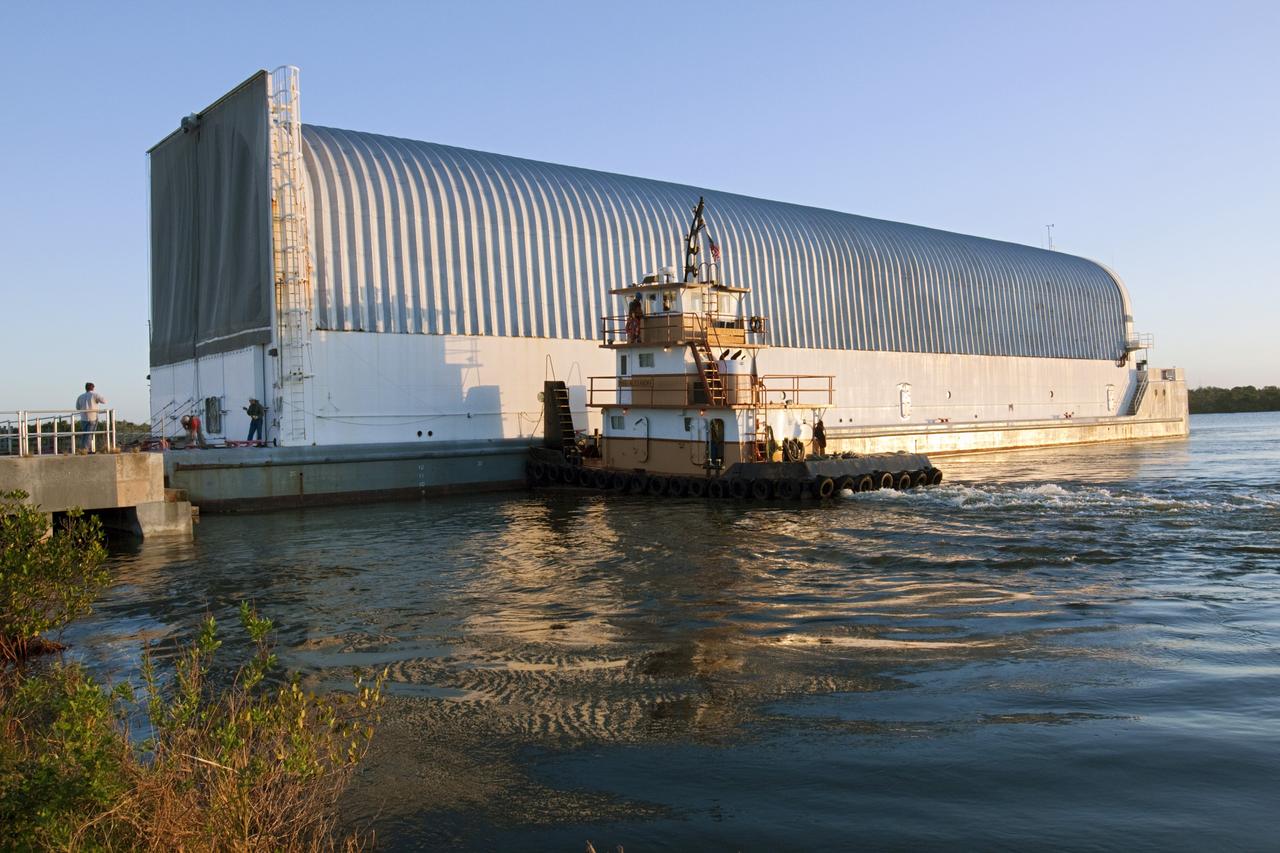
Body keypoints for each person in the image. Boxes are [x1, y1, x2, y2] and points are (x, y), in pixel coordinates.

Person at [75, 382, 107, 453]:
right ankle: (87, 450)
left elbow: (77, 408)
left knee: (84, 434)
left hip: (83, 418)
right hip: (93, 417)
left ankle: (82, 449)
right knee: (89, 434)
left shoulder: (80, 396)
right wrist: (96, 402)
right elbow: (104, 401)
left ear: (86, 388)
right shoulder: (94, 394)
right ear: (92, 388)